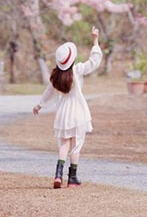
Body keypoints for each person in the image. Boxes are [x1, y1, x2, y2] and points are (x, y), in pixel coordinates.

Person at [33, 26, 102, 188]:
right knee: (76, 144)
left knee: (64, 144)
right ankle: (72, 178)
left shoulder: (56, 75)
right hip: (77, 111)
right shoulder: (77, 70)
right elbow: (94, 62)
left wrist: (39, 105)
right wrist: (95, 40)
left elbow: (48, 92)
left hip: (63, 113)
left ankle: (58, 175)